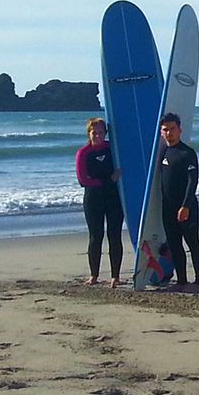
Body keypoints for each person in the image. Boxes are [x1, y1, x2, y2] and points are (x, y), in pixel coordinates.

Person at [155, 113, 199, 292]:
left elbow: (193, 181)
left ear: (180, 130)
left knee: (193, 243)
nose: (169, 133)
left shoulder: (187, 153)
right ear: (161, 132)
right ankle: (181, 281)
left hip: (187, 207)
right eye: (165, 130)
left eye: (172, 129)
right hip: (168, 208)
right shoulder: (163, 152)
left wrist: (185, 205)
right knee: (175, 245)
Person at [75, 117, 123, 286]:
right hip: (93, 199)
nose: (98, 136)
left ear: (105, 133)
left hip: (114, 198)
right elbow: (83, 180)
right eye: (94, 132)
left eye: (101, 132)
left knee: (114, 235)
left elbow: (125, 164)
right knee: (96, 236)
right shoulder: (84, 153)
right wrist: (108, 180)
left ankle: (115, 276)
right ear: (89, 133)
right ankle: (94, 276)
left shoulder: (112, 149)